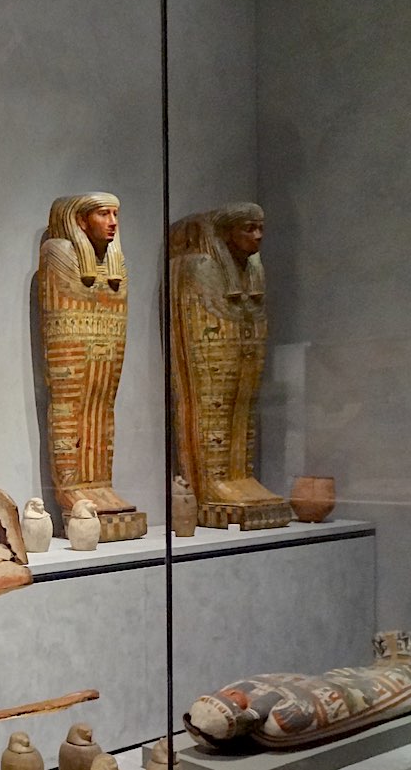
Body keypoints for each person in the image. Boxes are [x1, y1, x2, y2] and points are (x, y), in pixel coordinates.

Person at [168, 202, 290, 529]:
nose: (258, 236)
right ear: (225, 232)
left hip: (243, 340)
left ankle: (240, 475)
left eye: (260, 228)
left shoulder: (253, 267)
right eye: (248, 228)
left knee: (246, 404)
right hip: (213, 345)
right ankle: (213, 480)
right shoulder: (201, 266)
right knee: (215, 404)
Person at [37, 193, 146, 541]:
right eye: (103, 214)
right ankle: (71, 488)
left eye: (115, 214)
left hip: (106, 333)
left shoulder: (117, 261)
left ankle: (101, 482)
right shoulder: (57, 252)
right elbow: (66, 298)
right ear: (81, 221)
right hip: (71, 337)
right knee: (70, 404)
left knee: (103, 404)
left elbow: (112, 300)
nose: (113, 222)